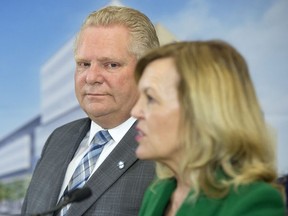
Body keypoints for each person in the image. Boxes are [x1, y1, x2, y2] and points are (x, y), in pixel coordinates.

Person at [21, 6, 159, 216]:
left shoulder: (165, 151)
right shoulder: (59, 138)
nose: (91, 77)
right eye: (84, 64)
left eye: (111, 65)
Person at [131, 40, 286, 216]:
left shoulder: (253, 202)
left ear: (201, 111)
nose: (135, 111)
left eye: (150, 98)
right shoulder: (157, 193)